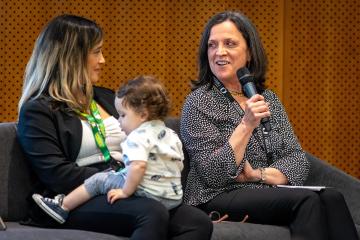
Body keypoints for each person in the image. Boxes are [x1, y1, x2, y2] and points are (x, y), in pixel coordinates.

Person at [17, 14, 212, 240]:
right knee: (151, 213)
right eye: (96, 51)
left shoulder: (107, 97)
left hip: (132, 185)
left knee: (197, 222)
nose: (103, 60)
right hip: (76, 198)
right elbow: (56, 175)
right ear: (72, 57)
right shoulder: (38, 110)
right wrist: (120, 175)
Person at [180, 11, 359, 240]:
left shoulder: (268, 98)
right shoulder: (199, 101)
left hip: (263, 189)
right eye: (212, 45)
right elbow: (213, 173)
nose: (219, 52)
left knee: (331, 197)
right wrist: (246, 125)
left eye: (230, 44)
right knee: (307, 201)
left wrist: (258, 174)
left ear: (250, 53)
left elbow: (297, 160)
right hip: (215, 195)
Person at [32, 75, 184, 224]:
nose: (118, 121)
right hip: (172, 196)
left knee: (98, 180)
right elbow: (178, 164)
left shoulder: (137, 137)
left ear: (143, 115)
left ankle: (62, 206)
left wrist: (125, 191)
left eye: (123, 115)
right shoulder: (170, 134)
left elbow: (138, 165)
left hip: (144, 189)